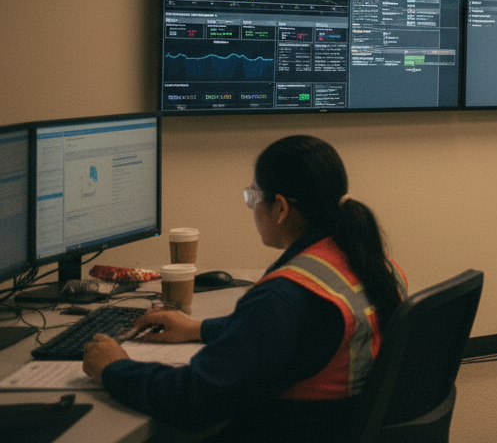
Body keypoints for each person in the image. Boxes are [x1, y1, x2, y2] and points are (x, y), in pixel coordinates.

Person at [83, 135, 405, 443]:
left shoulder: (286, 298)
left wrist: (114, 367)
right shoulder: (372, 262)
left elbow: (193, 401)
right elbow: (296, 336)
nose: (251, 208)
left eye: (252, 197)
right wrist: (200, 329)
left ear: (280, 208)